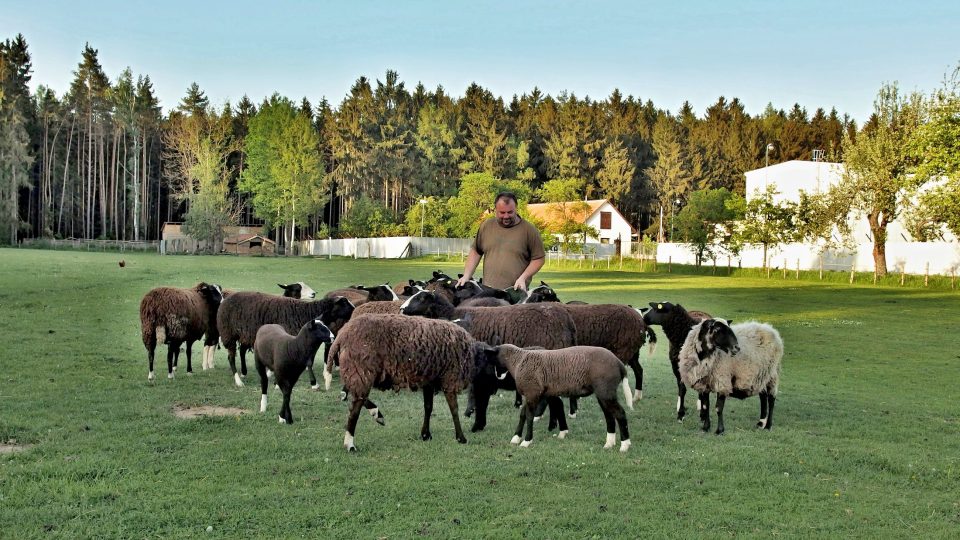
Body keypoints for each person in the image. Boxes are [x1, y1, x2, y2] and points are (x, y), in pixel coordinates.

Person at [457, 191, 545, 291]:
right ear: (495, 210)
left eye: (510, 212)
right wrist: (466, 276)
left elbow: (539, 259)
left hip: (515, 293)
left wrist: (523, 278)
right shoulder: (486, 226)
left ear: (516, 209)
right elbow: (476, 252)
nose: (506, 216)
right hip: (488, 292)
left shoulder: (528, 230)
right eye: (502, 213)